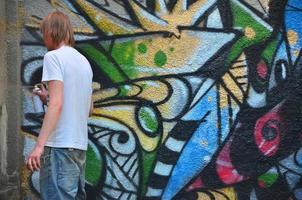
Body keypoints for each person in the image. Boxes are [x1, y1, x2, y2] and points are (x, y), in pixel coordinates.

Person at [26, 10, 93, 200]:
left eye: (43, 32)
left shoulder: (53, 57)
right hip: (79, 146)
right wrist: (47, 98)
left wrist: (39, 146)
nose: (42, 38)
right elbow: (88, 109)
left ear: (51, 31)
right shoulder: (84, 63)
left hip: (59, 147)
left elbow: (57, 104)